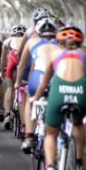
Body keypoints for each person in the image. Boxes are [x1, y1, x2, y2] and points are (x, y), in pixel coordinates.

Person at [30, 26, 86, 170]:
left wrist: (34, 98)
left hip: (59, 91)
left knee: (51, 133)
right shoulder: (85, 55)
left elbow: (44, 83)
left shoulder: (55, 54)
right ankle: (78, 164)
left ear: (60, 42)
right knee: (78, 124)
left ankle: (49, 168)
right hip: (80, 92)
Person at [17, 18, 59, 153]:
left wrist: (18, 83)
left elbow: (21, 66)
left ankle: (29, 137)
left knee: (30, 101)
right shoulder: (61, 43)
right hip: (56, 79)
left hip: (37, 78)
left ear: (38, 32)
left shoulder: (32, 41)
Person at [1, 24, 27, 128]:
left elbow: (2, 59)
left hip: (12, 62)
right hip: (23, 63)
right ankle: (24, 119)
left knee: (10, 88)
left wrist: (1, 71)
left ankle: (7, 115)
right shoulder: (28, 41)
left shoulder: (8, 41)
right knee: (23, 89)